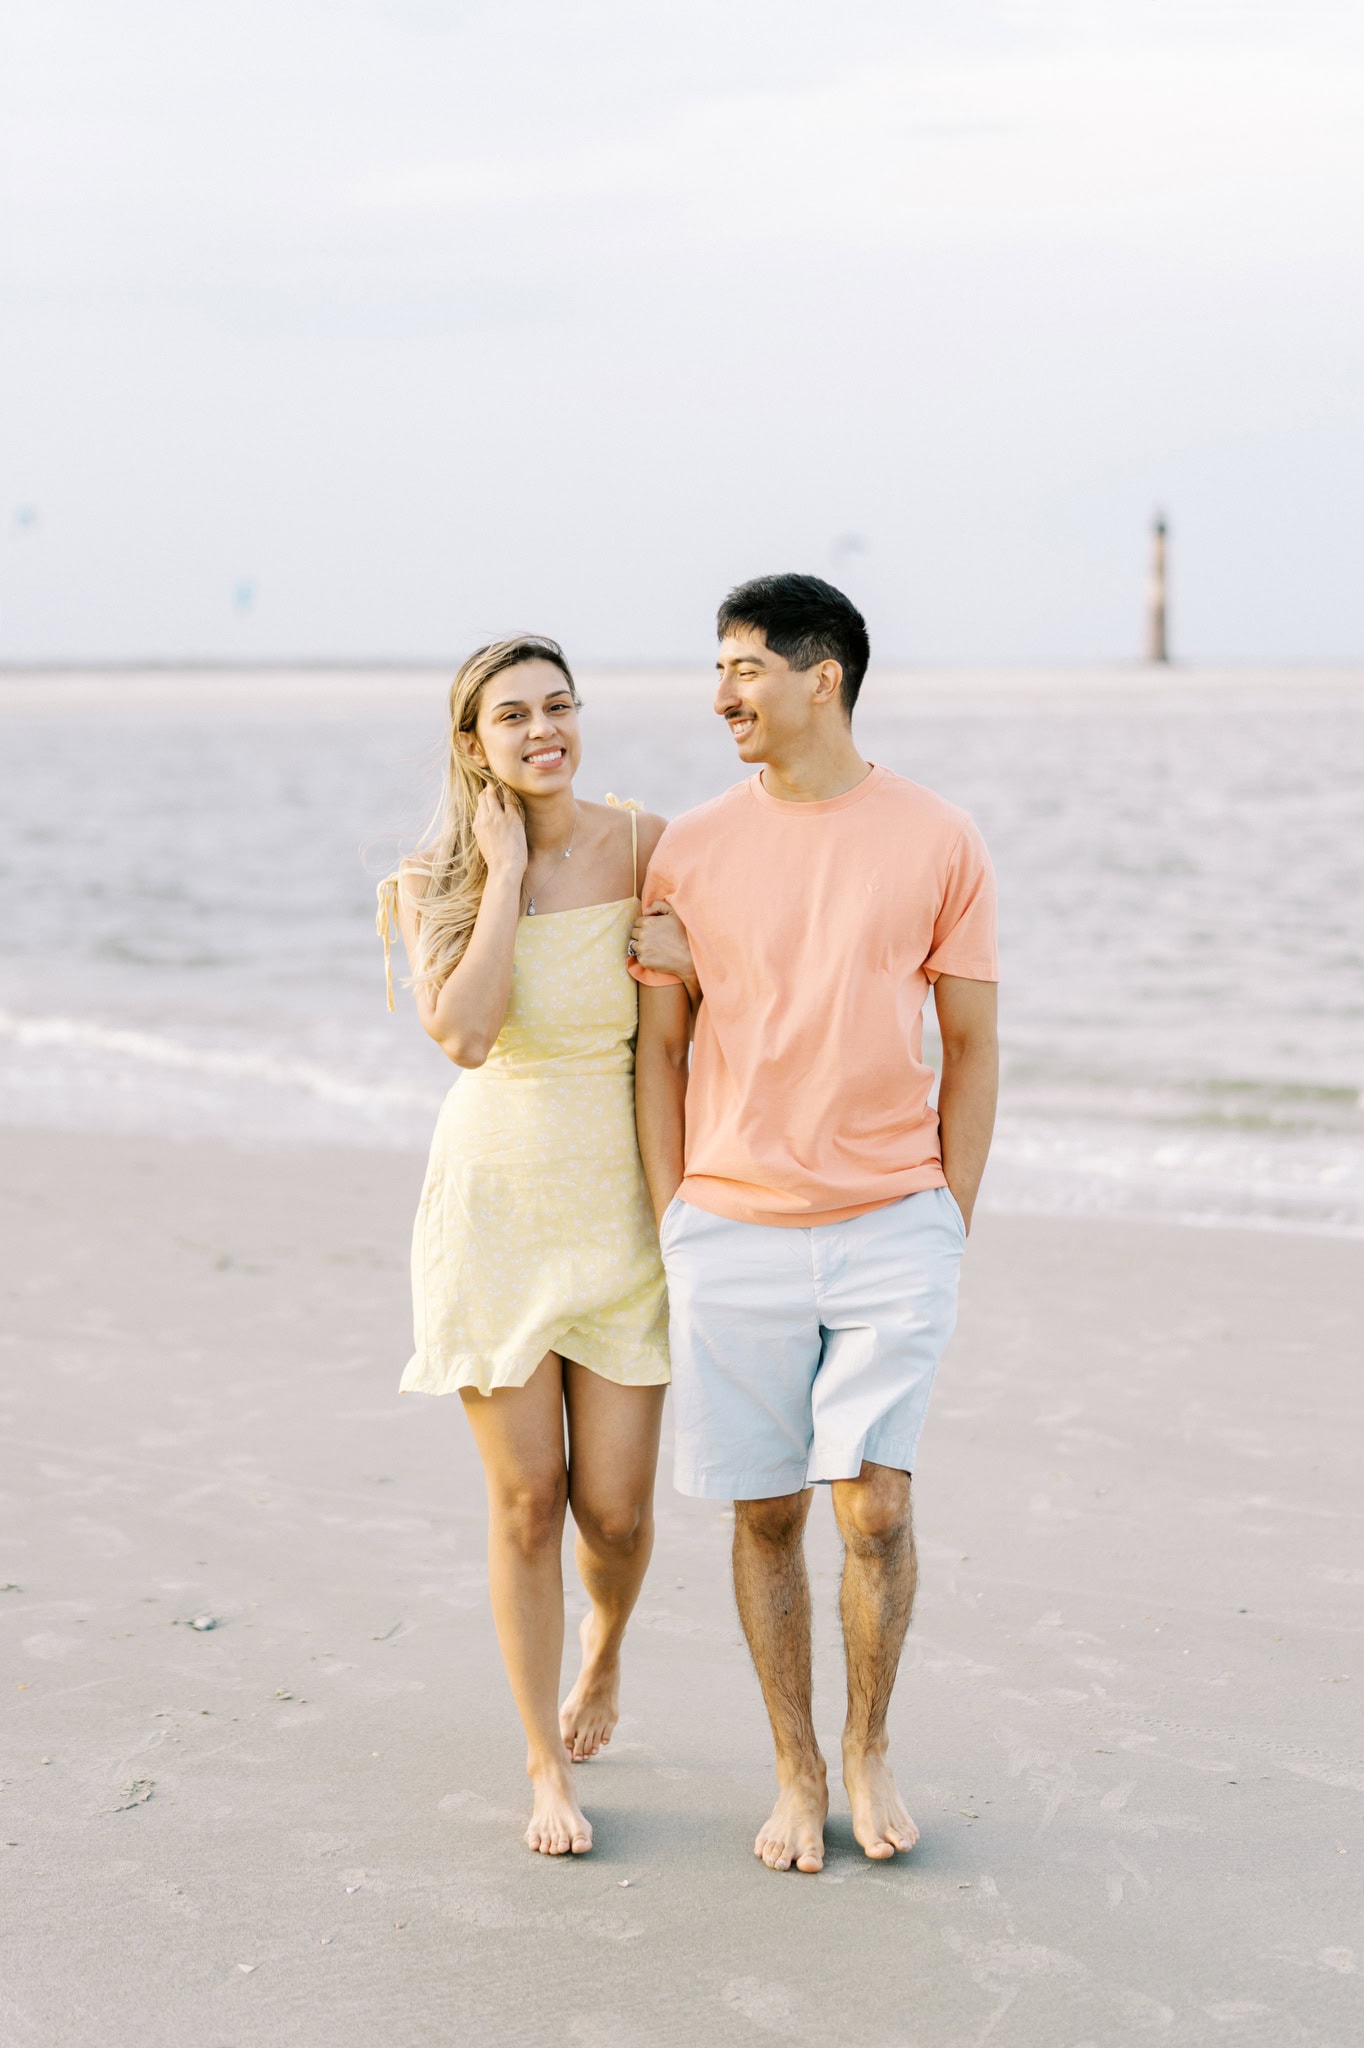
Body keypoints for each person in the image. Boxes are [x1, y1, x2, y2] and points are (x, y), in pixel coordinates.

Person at [631, 574, 999, 1875]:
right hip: (730, 1226)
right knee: (769, 1513)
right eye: (719, 673)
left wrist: (949, 1211)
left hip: (896, 1219)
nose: (722, 694)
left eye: (743, 669)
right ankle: (793, 1767)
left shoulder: (939, 835)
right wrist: (680, 1203)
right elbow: (662, 1044)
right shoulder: (690, 847)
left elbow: (969, 1040)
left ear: (821, 675)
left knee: (876, 1508)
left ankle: (867, 1744)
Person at [377, 636, 695, 1859]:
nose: (543, 729)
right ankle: (542, 1762)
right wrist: (503, 874)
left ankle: (604, 1647)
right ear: (473, 743)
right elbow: (458, 1033)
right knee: (527, 1504)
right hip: (494, 1208)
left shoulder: (645, 839)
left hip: (619, 1208)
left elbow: (706, 1004)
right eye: (512, 714)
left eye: (560, 705)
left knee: (611, 1512)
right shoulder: (435, 875)